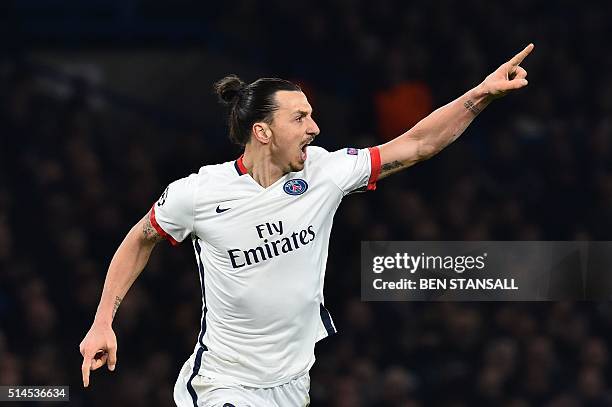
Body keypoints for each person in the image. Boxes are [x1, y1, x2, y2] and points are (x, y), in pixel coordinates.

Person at [79, 43, 534, 406]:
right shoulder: (198, 193)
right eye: (300, 118)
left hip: (293, 384)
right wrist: (103, 321)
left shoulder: (324, 173)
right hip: (223, 384)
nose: (314, 128)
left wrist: (480, 95)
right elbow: (140, 240)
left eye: (312, 115)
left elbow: (414, 145)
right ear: (263, 131)